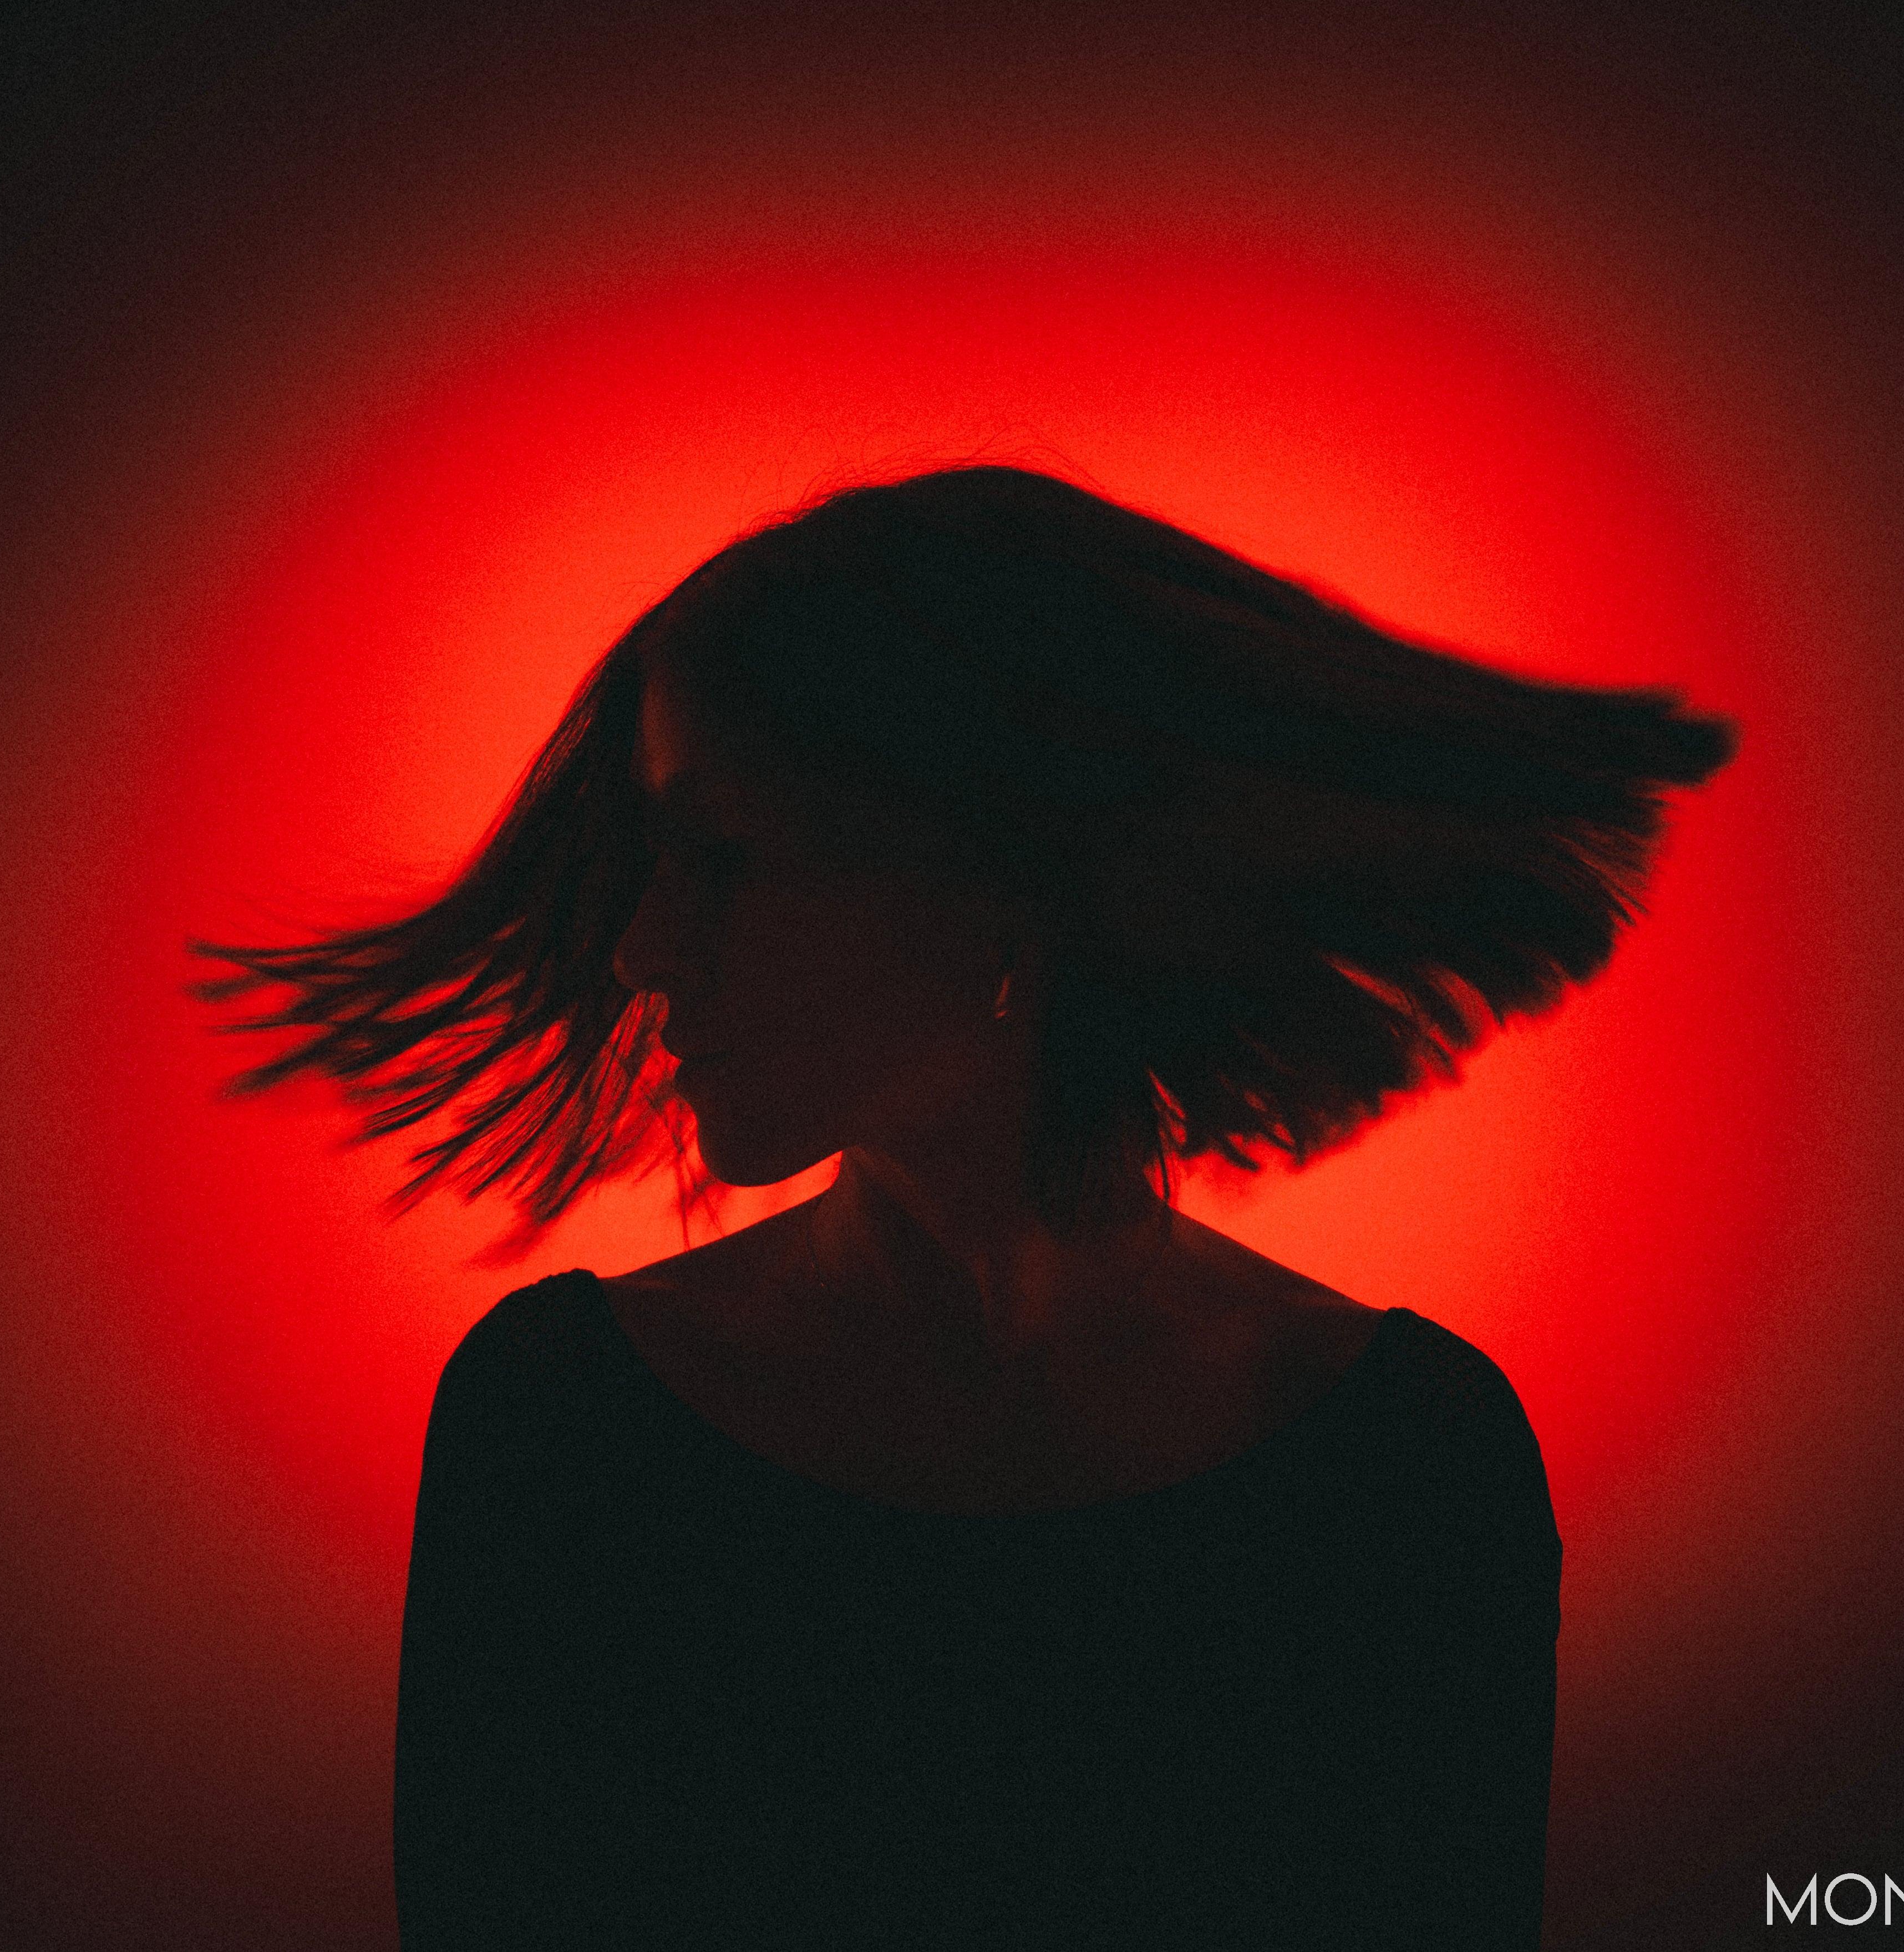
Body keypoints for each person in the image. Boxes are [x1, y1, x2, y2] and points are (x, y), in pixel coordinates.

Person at [193, 463, 1735, 1949]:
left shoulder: (1412, 1469)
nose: (642, 946)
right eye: (654, 865)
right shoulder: (559, 1426)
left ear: (1002, 878)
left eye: (724, 856)